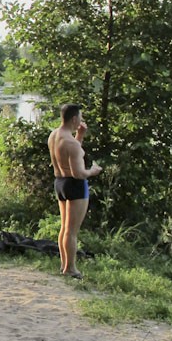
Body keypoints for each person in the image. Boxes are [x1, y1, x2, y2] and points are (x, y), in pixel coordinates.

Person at [48, 104, 102, 279]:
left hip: (60, 182)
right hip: (75, 185)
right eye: (80, 117)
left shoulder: (55, 136)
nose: (81, 120)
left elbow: (69, 156)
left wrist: (80, 135)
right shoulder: (71, 143)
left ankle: (65, 265)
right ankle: (71, 268)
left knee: (64, 228)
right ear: (74, 119)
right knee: (72, 230)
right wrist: (93, 171)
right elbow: (79, 173)